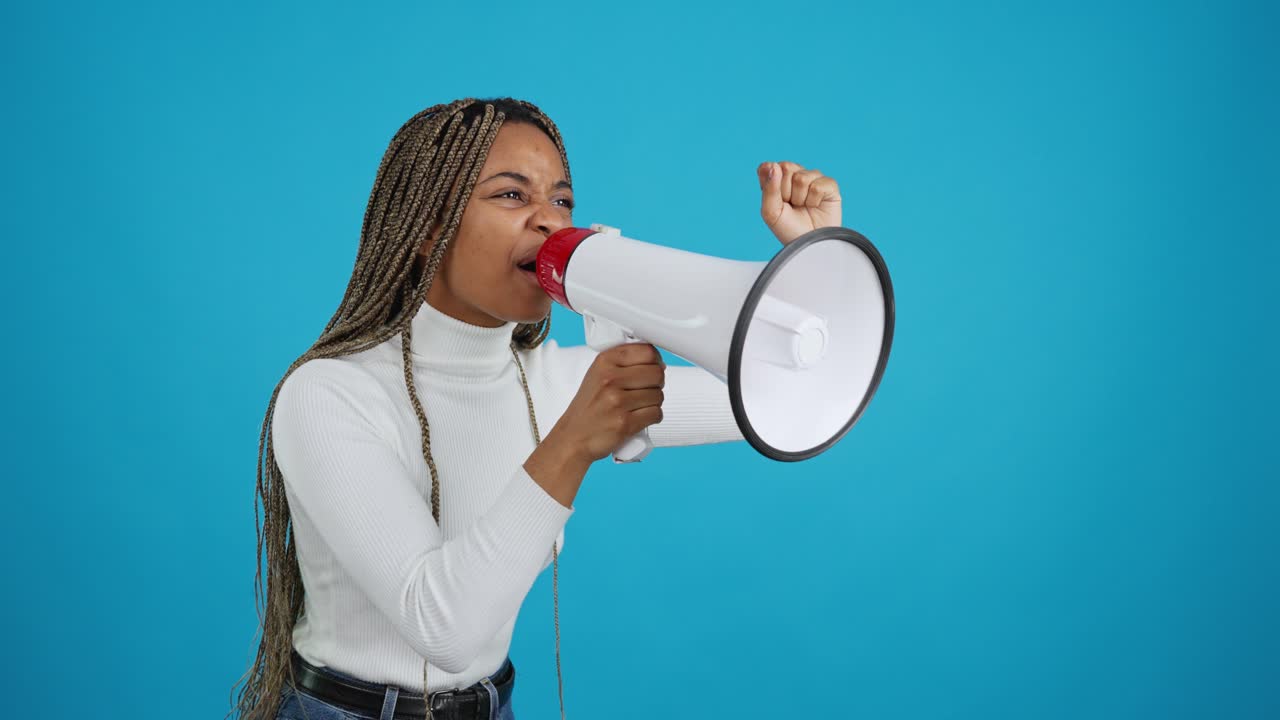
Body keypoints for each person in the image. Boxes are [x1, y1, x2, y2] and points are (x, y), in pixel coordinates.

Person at [227, 96, 843, 720]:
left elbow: (792, 398)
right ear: (426, 229)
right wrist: (574, 441)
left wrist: (811, 269)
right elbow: (445, 628)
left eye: (563, 200)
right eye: (512, 196)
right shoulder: (329, 394)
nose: (552, 222)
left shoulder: (556, 382)